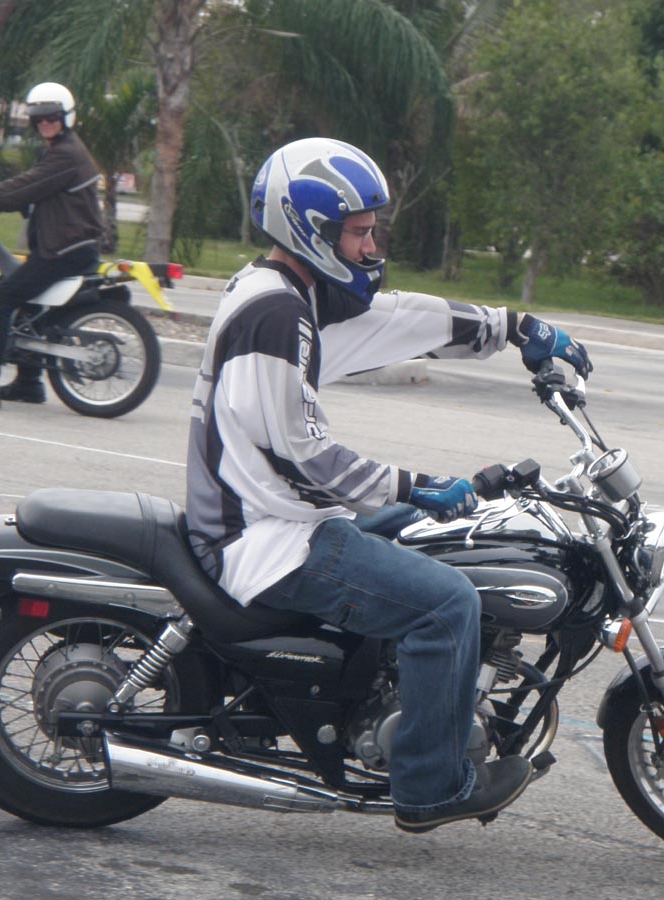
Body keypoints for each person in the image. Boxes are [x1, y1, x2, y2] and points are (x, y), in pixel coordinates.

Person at [185, 138, 592, 833]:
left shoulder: (287, 293)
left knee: (432, 542)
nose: (372, 246)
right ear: (311, 230)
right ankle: (432, 786)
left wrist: (513, 328)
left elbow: (397, 321)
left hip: (279, 515)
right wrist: (413, 485)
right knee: (447, 604)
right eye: (359, 232)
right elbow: (303, 456)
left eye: (373, 230)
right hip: (267, 537)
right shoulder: (275, 316)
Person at [0, 82, 104, 410]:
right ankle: (29, 384)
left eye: (51, 117)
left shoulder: (66, 154)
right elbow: (35, 190)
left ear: (66, 116)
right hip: (65, 247)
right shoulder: (59, 149)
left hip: (65, 251)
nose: (45, 123)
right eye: (39, 118)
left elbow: (22, 187)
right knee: (28, 302)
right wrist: (15, 203)